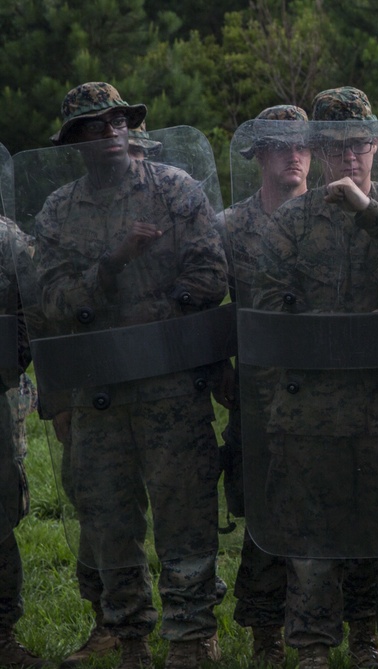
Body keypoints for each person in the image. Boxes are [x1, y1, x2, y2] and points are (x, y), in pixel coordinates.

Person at [29, 82, 228, 669]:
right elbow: (53, 300)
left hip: (171, 385)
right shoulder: (59, 210)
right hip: (99, 394)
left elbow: (211, 276)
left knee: (184, 512)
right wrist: (112, 265)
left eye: (117, 121)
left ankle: (191, 637)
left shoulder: (175, 189)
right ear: (75, 143)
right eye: (94, 127)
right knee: (110, 518)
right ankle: (130, 638)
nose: (110, 133)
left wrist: (153, 311)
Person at [250, 86, 378, 669]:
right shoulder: (292, 219)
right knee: (312, 541)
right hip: (311, 414)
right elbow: (266, 304)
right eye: (336, 148)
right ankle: (312, 647)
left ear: (376, 145)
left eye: (359, 144)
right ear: (318, 150)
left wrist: (368, 210)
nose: (349, 158)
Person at [221, 103, 312, 666]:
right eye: (281, 145)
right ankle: (264, 630)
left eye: (302, 145)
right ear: (258, 155)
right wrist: (220, 370)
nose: (294, 155)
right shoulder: (230, 227)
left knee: (331, 508)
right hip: (260, 394)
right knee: (264, 508)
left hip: (327, 389)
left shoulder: (334, 216)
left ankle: (338, 626)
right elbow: (210, 305)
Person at [0, 175, 43, 667]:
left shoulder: (8, 238)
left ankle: (1, 634)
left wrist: (11, 359)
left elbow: (38, 305)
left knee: (0, 503)